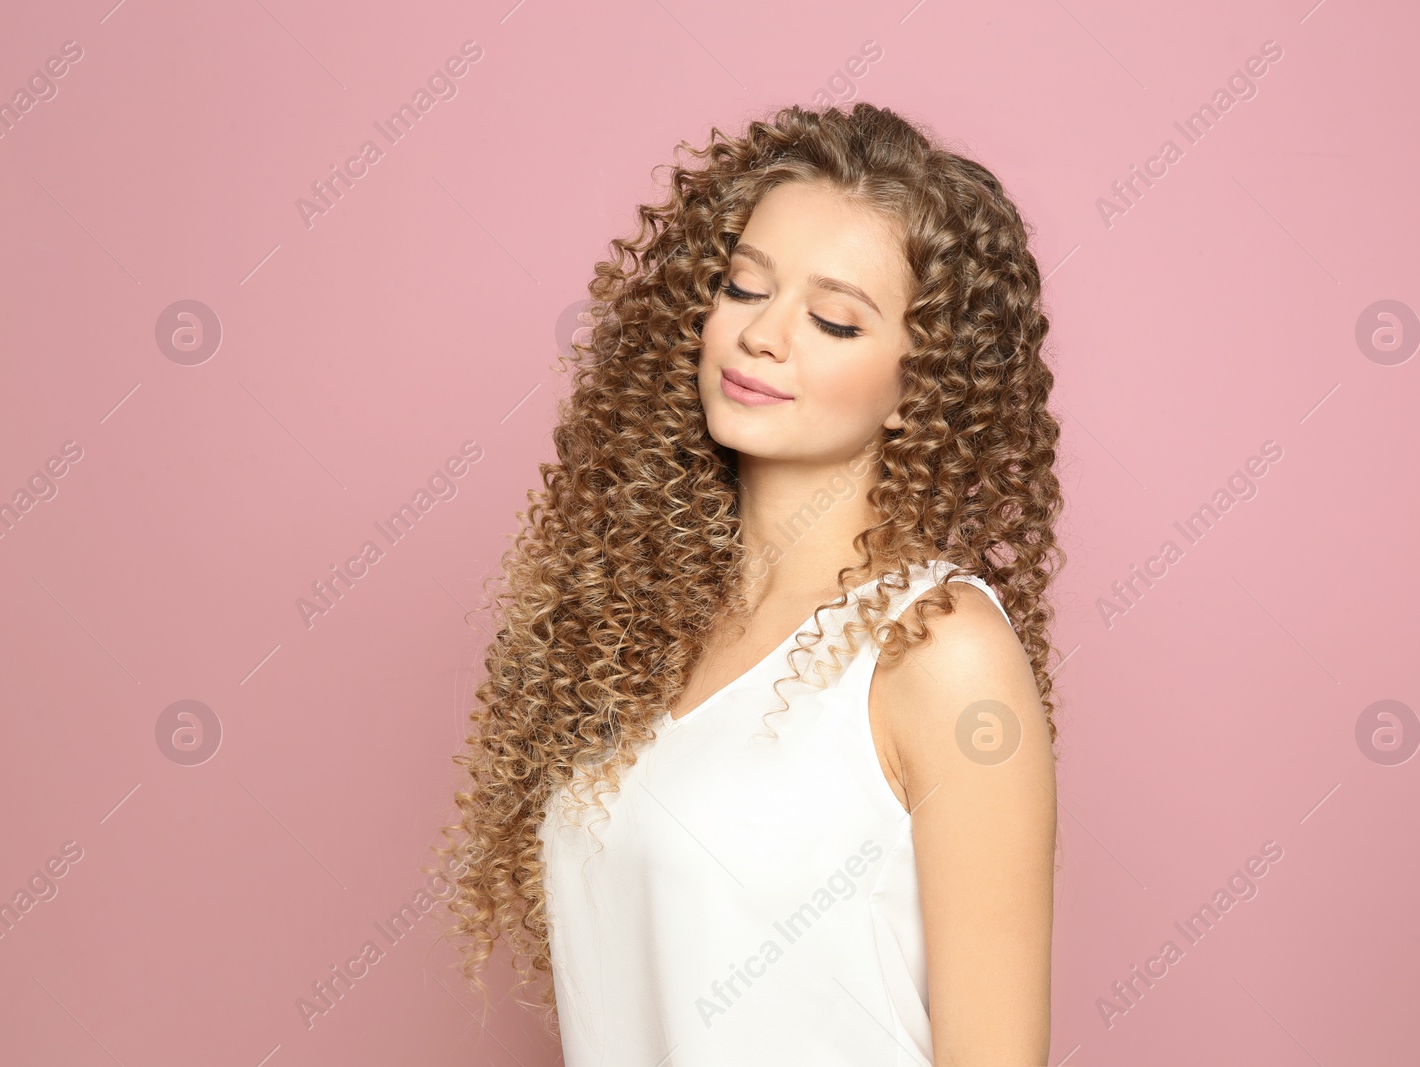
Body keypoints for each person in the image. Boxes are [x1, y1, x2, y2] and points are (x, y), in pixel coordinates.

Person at [430, 101, 1066, 1066]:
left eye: (833, 319)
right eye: (741, 287)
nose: (763, 336)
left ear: (920, 384)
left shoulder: (939, 650)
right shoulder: (633, 628)